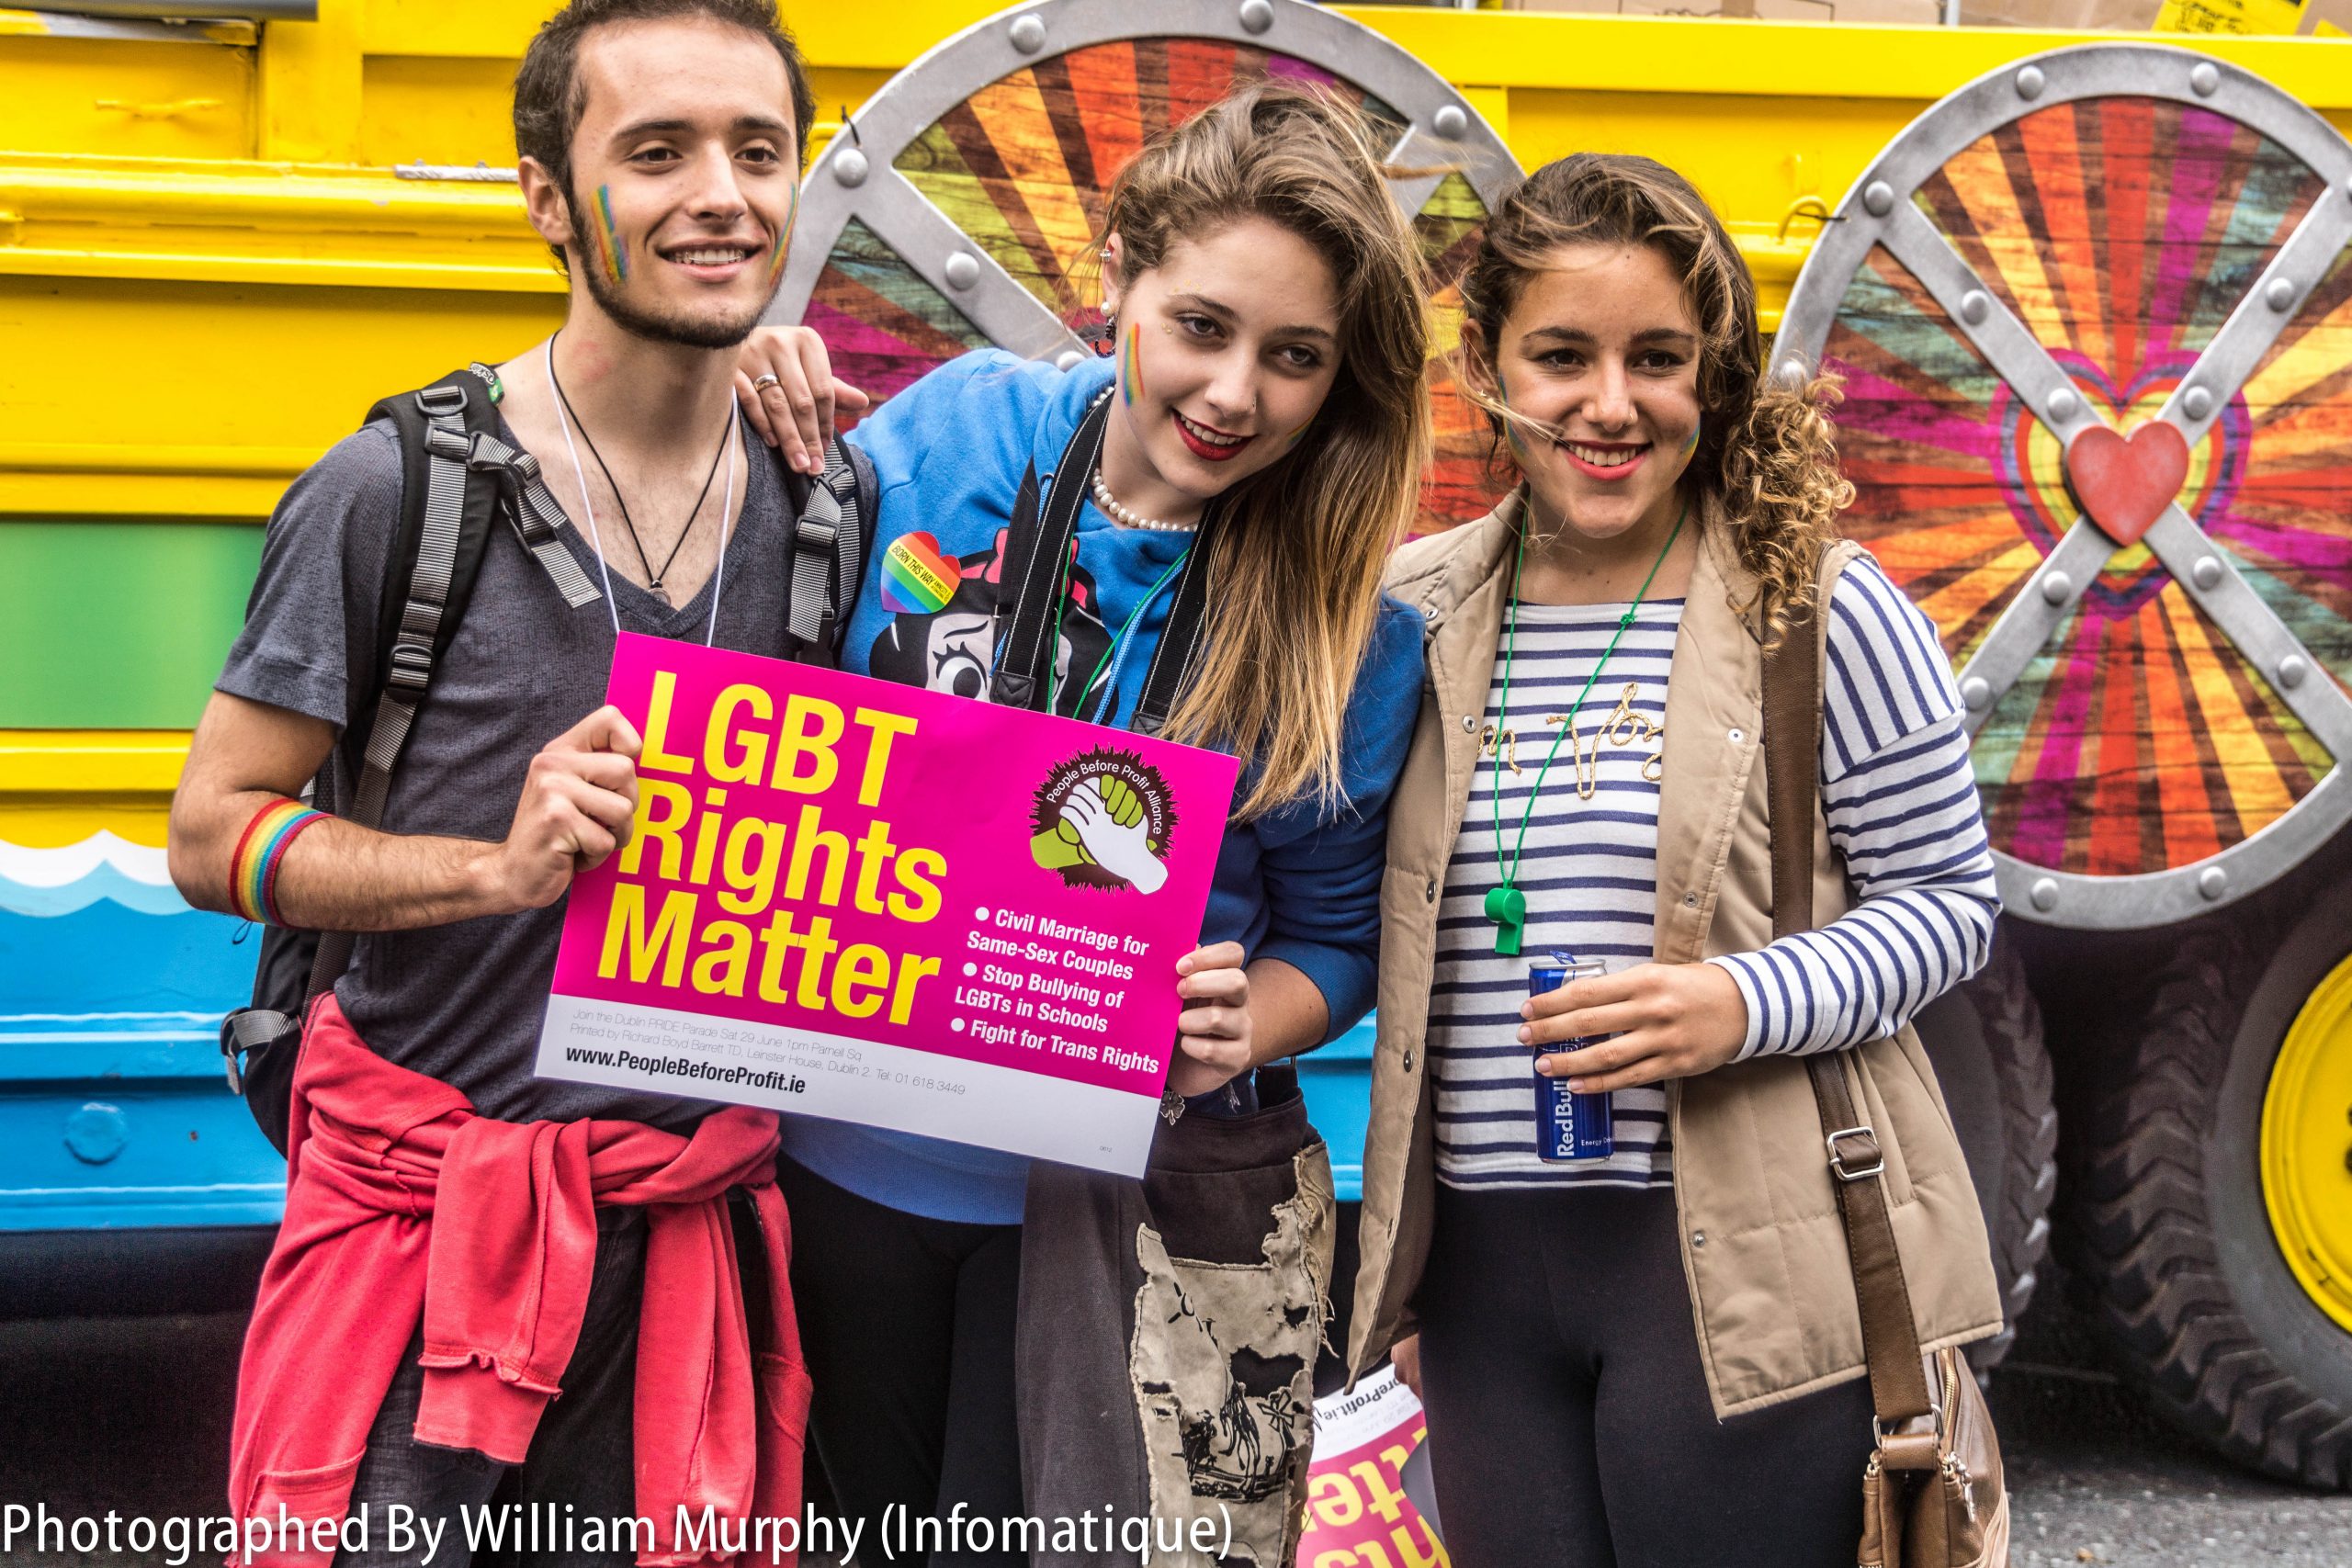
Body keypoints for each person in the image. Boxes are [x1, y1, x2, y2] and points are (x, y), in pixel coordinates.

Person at [165, 3, 856, 1562]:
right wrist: (490, 867)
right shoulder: (396, 491)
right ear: (548, 196)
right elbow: (212, 837)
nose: (723, 197)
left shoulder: (830, 494)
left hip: (690, 1244)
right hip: (424, 1253)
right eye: (656, 152)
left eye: (759, 152)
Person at [732, 82, 1430, 1564]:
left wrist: (1257, 1023)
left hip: (1114, 1217)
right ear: (1117, 276)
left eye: (1295, 359)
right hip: (838, 1159)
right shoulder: (961, 429)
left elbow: (1336, 937)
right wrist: (741, 380)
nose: (1235, 393)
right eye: (1201, 326)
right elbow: (763, 659)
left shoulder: (1345, 631)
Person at [1345, 152, 2006, 1568]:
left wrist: (1741, 1005)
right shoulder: (1413, 611)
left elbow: (1953, 907)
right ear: (1489, 366)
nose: (1610, 404)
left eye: (1659, 359)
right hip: (1479, 1289)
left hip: (1735, 1273)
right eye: (1562, 356)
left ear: (1714, 377)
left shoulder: (1820, 606)